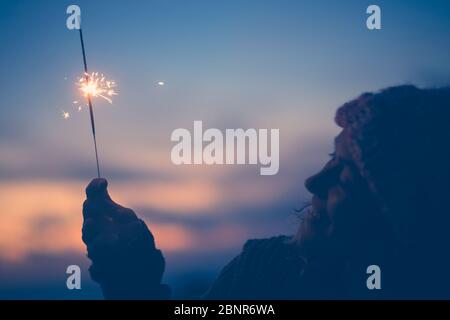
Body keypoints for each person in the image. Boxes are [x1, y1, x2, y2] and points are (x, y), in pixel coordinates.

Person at [82, 85, 450, 299]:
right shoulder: (261, 272)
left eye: (346, 177)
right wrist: (133, 279)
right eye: (330, 158)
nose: (313, 181)